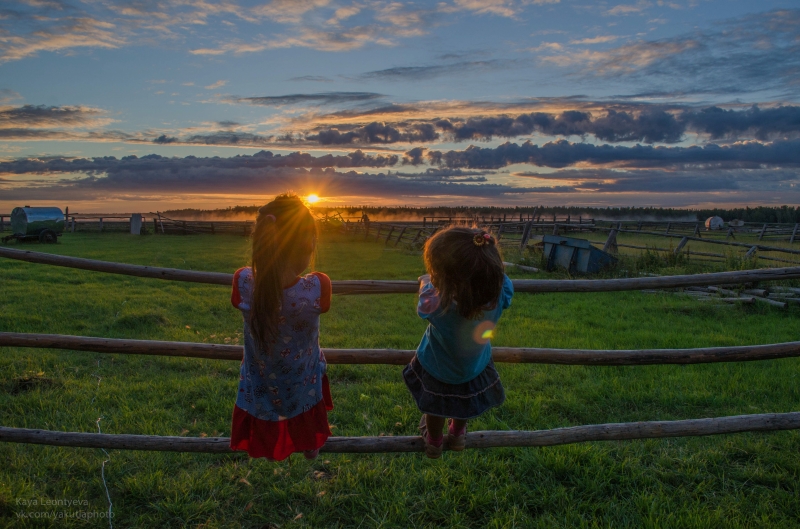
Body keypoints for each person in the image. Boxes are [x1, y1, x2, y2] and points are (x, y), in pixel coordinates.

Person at [229, 194, 333, 461]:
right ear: (306, 244)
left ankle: (265, 445)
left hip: (260, 383)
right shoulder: (318, 287)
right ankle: (310, 444)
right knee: (307, 394)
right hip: (303, 385)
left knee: (265, 406)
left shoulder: (242, 281)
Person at [403, 227, 513, 458]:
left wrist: (426, 281)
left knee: (434, 408)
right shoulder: (499, 294)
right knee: (465, 401)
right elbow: (503, 280)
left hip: (437, 366)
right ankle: (458, 434)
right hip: (474, 367)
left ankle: (434, 441)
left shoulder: (438, 303)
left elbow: (424, 303)